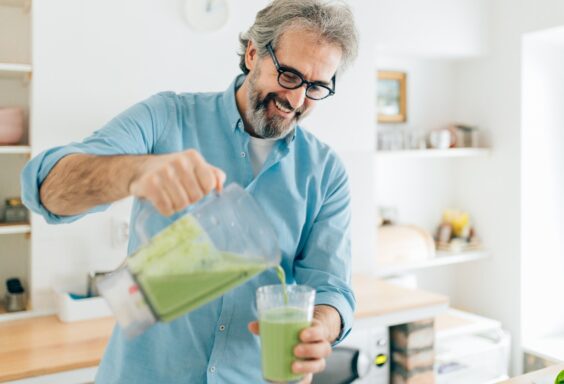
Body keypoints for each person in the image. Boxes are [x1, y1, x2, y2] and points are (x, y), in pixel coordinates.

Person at [21, 0, 359, 382]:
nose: (296, 101)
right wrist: (135, 172)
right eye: (289, 76)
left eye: (316, 87)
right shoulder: (167, 117)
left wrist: (321, 327)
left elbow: (331, 287)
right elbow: (46, 189)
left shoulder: (325, 172)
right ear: (253, 54)